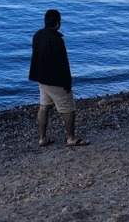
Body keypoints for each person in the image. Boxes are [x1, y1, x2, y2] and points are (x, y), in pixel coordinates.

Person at [29, 9, 89, 147]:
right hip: (55, 81)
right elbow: (63, 65)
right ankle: (71, 138)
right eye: (60, 20)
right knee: (68, 107)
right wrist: (68, 83)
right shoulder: (57, 40)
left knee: (44, 106)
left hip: (41, 78)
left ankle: (42, 138)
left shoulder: (37, 35)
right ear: (57, 23)